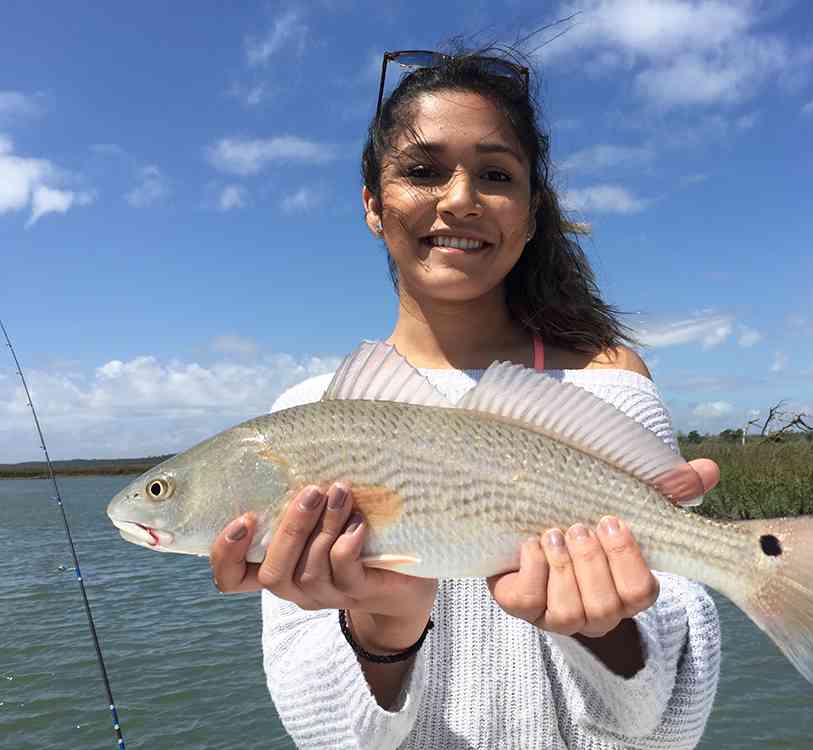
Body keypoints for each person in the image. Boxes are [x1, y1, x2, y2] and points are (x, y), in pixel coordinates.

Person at [210, 48, 722, 749]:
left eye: (495, 174)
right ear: (371, 203)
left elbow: (671, 716)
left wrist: (609, 633)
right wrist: (383, 632)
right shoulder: (308, 409)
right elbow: (322, 735)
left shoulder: (607, 380)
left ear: (533, 213)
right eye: (422, 171)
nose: (460, 198)